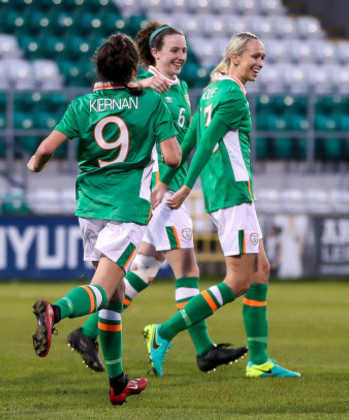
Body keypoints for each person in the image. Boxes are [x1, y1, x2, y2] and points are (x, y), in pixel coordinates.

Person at [66, 21, 248, 375]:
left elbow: (186, 134)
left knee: (145, 270)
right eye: (174, 50)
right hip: (157, 188)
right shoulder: (145, 87)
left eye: (184, 50)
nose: (181, 56)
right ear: (154, 53)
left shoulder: (178, 87)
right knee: (187, 269)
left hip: (168, 185)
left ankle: (87, 332)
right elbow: (106, 93)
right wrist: (163, 184)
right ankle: (199, 348)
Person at [28, 33, 182, 405]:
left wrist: (35, 164)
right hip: (127, 209)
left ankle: (117, 382)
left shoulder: (83, 104)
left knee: (112, 300)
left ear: (100, 68)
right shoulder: (152, 103)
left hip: (89, 207)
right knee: (101, 291)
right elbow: (174, 156)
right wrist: (162, 183)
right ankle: (56, 311)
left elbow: (46, 150)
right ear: (134, 68)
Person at [142, 32, 300, 378]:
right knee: (238, 281)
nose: (259, 63)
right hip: (232, 195)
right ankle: (163, 332)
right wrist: (183, 187)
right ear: (235, 57)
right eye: (254, 56)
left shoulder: (211, 91)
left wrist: (166, 181)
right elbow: (205, 143)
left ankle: (258, 360)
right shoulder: (232, 97)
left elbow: (188, 140)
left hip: (232, 195)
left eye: (263, 58)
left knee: (261, 271)